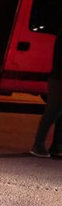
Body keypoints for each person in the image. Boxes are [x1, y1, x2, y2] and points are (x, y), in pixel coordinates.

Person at [31, 27, 62, 158]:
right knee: (53, 110)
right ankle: (38, 144)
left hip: (58, 76)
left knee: (59, 112)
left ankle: (57, 146)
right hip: (59, 77)